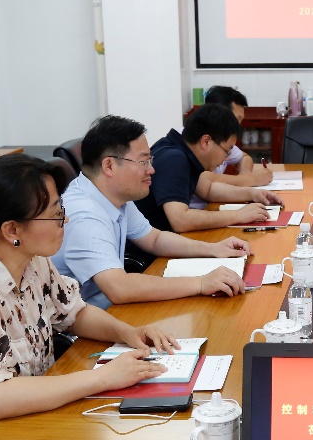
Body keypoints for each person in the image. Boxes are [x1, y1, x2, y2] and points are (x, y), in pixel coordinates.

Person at [0, 154, 178, 440]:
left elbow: (74, 312)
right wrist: (103, 377)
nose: (64, 219)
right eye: (55, 213)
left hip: (34, 415)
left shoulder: (31, 259)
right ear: (12, 230)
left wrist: (128, 333)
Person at [53, 115, 250, 308]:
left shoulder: (113, 195)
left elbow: (154, 239)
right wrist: (201, 283)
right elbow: (119, 288)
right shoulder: (84, 214)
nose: (151, 170)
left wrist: (213, 249)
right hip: (85, 319)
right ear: (109, 166)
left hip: (107, 307)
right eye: (143, 162)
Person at [137, 104, 285, 233]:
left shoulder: (183, 151)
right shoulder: (174, 159)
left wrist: (253, 194)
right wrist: (239, 215)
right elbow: (180, 220)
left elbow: (207, 189)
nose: (226, 158)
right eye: (226, 151)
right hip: (148, 253)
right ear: (206, 141)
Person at [199, 86, 273, 191]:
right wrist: (248, 180)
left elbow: (245, 157)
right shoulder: (194, 141)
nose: (238, 126)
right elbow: (205, 182)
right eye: (236, 120)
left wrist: (245, 175)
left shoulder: (222, 139)